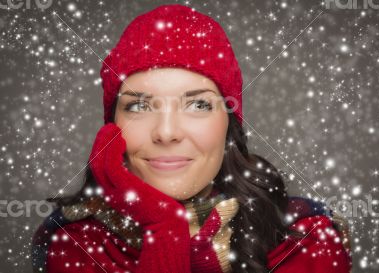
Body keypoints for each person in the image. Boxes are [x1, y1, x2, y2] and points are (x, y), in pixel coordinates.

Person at [32, 4, 352, 273]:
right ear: (112, 128)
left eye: (198, 104)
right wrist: (164, 229)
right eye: (140, 105)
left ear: (229, 125)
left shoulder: (308, 239)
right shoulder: (73, 243)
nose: (167, 132)